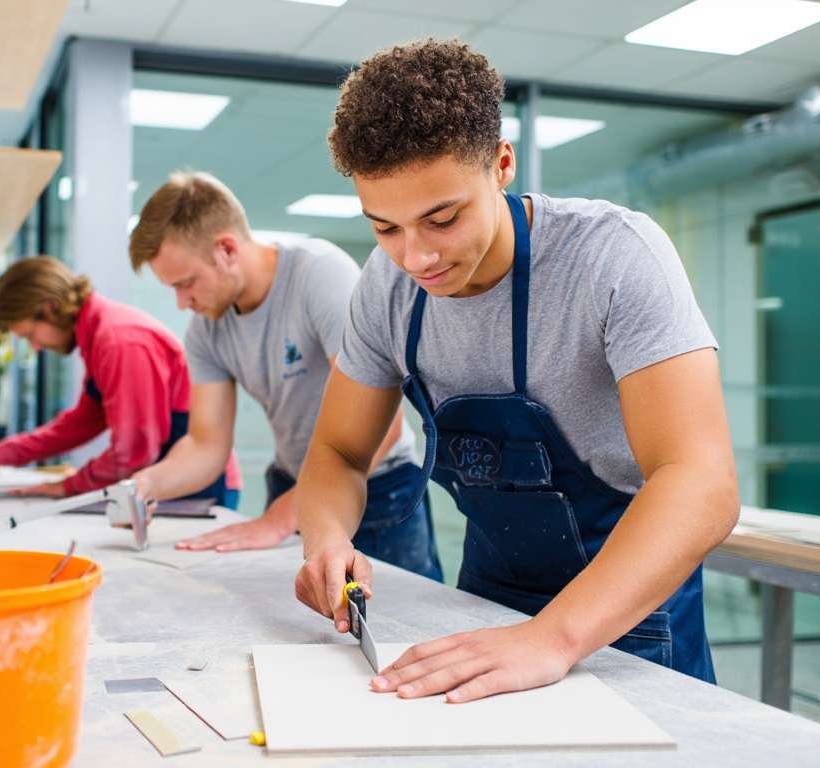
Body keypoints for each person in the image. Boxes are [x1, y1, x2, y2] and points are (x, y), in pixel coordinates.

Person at [292, 39, 739, 701]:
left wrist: (552, 638)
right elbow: (338, 451)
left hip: (629, 615)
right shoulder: (386, 288)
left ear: (501, 165)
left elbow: (702, 483)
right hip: (488, 604)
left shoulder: (612, 257)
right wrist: (327, 540)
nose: (415, 257)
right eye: (385, 228)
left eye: (443, 218)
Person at [126, 171, 441, 581]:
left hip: (377, 486)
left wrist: (278, 519)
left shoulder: (319, 275)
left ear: (226, 249)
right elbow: (206, 444)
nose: (182, 302)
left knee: (403, 615)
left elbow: (380, 430)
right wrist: (146, 485)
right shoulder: (206, 328)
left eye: (186, 283)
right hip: (293, 485)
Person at [0, 256, 241, 506]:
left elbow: (133, 450)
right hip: (169, 484)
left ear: (50, 307)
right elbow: (78, 425)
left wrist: (70, 486)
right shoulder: (98, 336)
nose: (35, 346)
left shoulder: (119, 341)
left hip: (199, 488)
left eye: (31, 335)